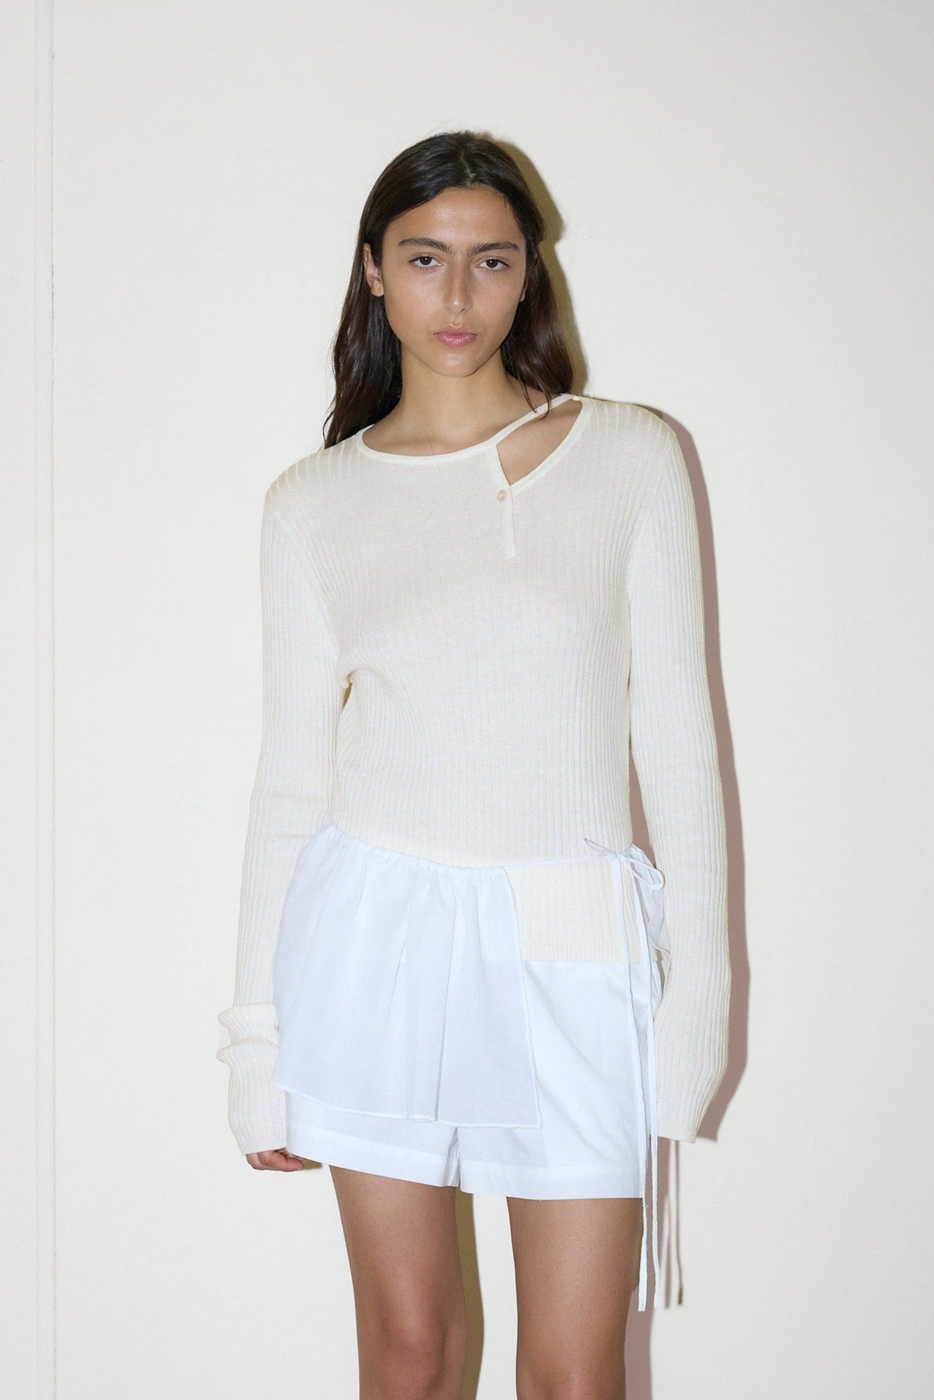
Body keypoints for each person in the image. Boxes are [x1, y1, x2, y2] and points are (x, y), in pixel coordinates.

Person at [217, 129, 729, 1399]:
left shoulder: (629, 455)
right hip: (376, 942)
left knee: (573, 1372)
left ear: (527, 274)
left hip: (572, 937)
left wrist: (697, 1007)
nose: (458, 294)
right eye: (424, 258)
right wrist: (255, 1048)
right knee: (411, 1352)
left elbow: (677, 738)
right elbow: (291, 782)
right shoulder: (311, 503)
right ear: (373, 270)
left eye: (491, 260)